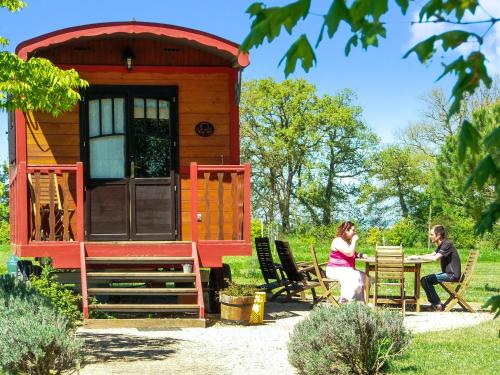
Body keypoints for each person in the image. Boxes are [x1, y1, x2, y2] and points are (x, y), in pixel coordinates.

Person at [408, 225, 461, 311]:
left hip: (452, 275)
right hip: (448, 273)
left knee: (425, 280)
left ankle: (437, 304)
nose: (430, 237)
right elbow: (432, 254)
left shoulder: (447, 244)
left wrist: (417, 257)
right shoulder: (443, 244)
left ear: (438, 235)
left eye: (432, 234)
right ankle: (436, 303)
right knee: (425, 279)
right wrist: (417, 256)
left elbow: (434, 258)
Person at [325, 221, 368, 303]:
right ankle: (348, 300)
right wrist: (354, 241)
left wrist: (360, 255)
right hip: (335, 270)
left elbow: (352, 254)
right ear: (346, 230)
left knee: (365, 277)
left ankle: (363, 301)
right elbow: (349, 253)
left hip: (346, 270)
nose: (355, 232)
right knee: (354, 277)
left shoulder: (346, 242)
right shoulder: (337, 241)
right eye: (353, 230)